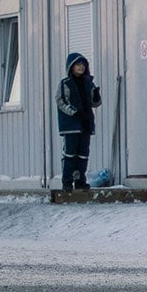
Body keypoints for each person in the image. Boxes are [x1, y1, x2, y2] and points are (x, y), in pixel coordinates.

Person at [56, 51, 101, 191]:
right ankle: (67, 181)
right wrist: (74, 112)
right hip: (71, 125)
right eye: (77, 65)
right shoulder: (66, 83)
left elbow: (95, 103)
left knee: (83, 153)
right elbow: (61, 101)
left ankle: (81, 180)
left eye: (83, 65)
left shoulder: (89, 83)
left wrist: (96, 96)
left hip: (85, 124)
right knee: (70, 153)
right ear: (71, 67)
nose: (81, 67)